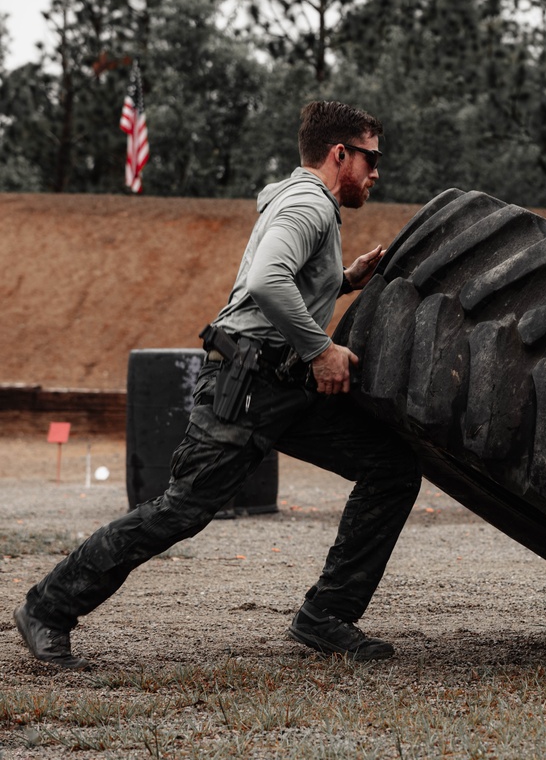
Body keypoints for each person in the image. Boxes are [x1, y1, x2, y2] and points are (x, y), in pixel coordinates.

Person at [15, 101, 422, 668]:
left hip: (283, 385)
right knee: (181, 510)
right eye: (370, 159)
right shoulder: (308, 204)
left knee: (391, 469)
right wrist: (322, 349)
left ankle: (326, 615)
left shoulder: (306, 202)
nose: (376, 172)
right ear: (339, 154)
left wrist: (343, 279)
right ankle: (47, 608)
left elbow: (286, 279)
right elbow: (266, 281)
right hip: (248, 382)